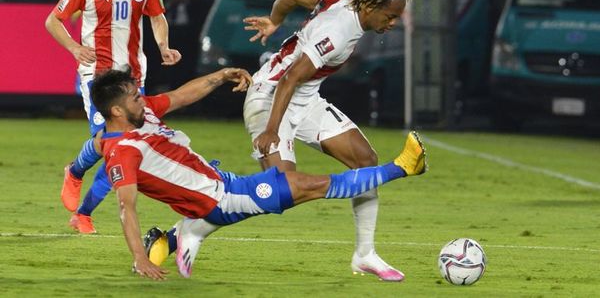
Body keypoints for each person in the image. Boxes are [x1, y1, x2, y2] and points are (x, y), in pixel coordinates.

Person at [90, 68, 427, 280]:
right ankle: (402, 167)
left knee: (302, 186)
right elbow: (126, 206)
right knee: (309, 186)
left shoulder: (142, 113)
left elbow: (180, 96)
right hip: (221, 201)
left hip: (223, 185)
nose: (142, 100)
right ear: (117, 110)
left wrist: (219, 77)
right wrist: (138, 260)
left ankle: (171, 240)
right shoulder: (122, 151)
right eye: (135, 98)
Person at [241, 0, 412, 281]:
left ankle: (365, 254)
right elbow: (290, 77)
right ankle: (190, 228)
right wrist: (271, 130)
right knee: (281, 191)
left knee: (365, 160)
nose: (392, 23)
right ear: (371, 6)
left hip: (304, 101)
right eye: (390, 16)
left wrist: (275, 21)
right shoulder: (338, 30)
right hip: (271, 96)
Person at [45, 0, 181, 234]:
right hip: (98, 76)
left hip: (133, 78)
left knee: (120, 147)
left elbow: (158, 17)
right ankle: (76, 173)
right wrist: (74, 47)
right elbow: (53, 21)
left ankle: (83, 212)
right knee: (112, 142)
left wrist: (164, 46)